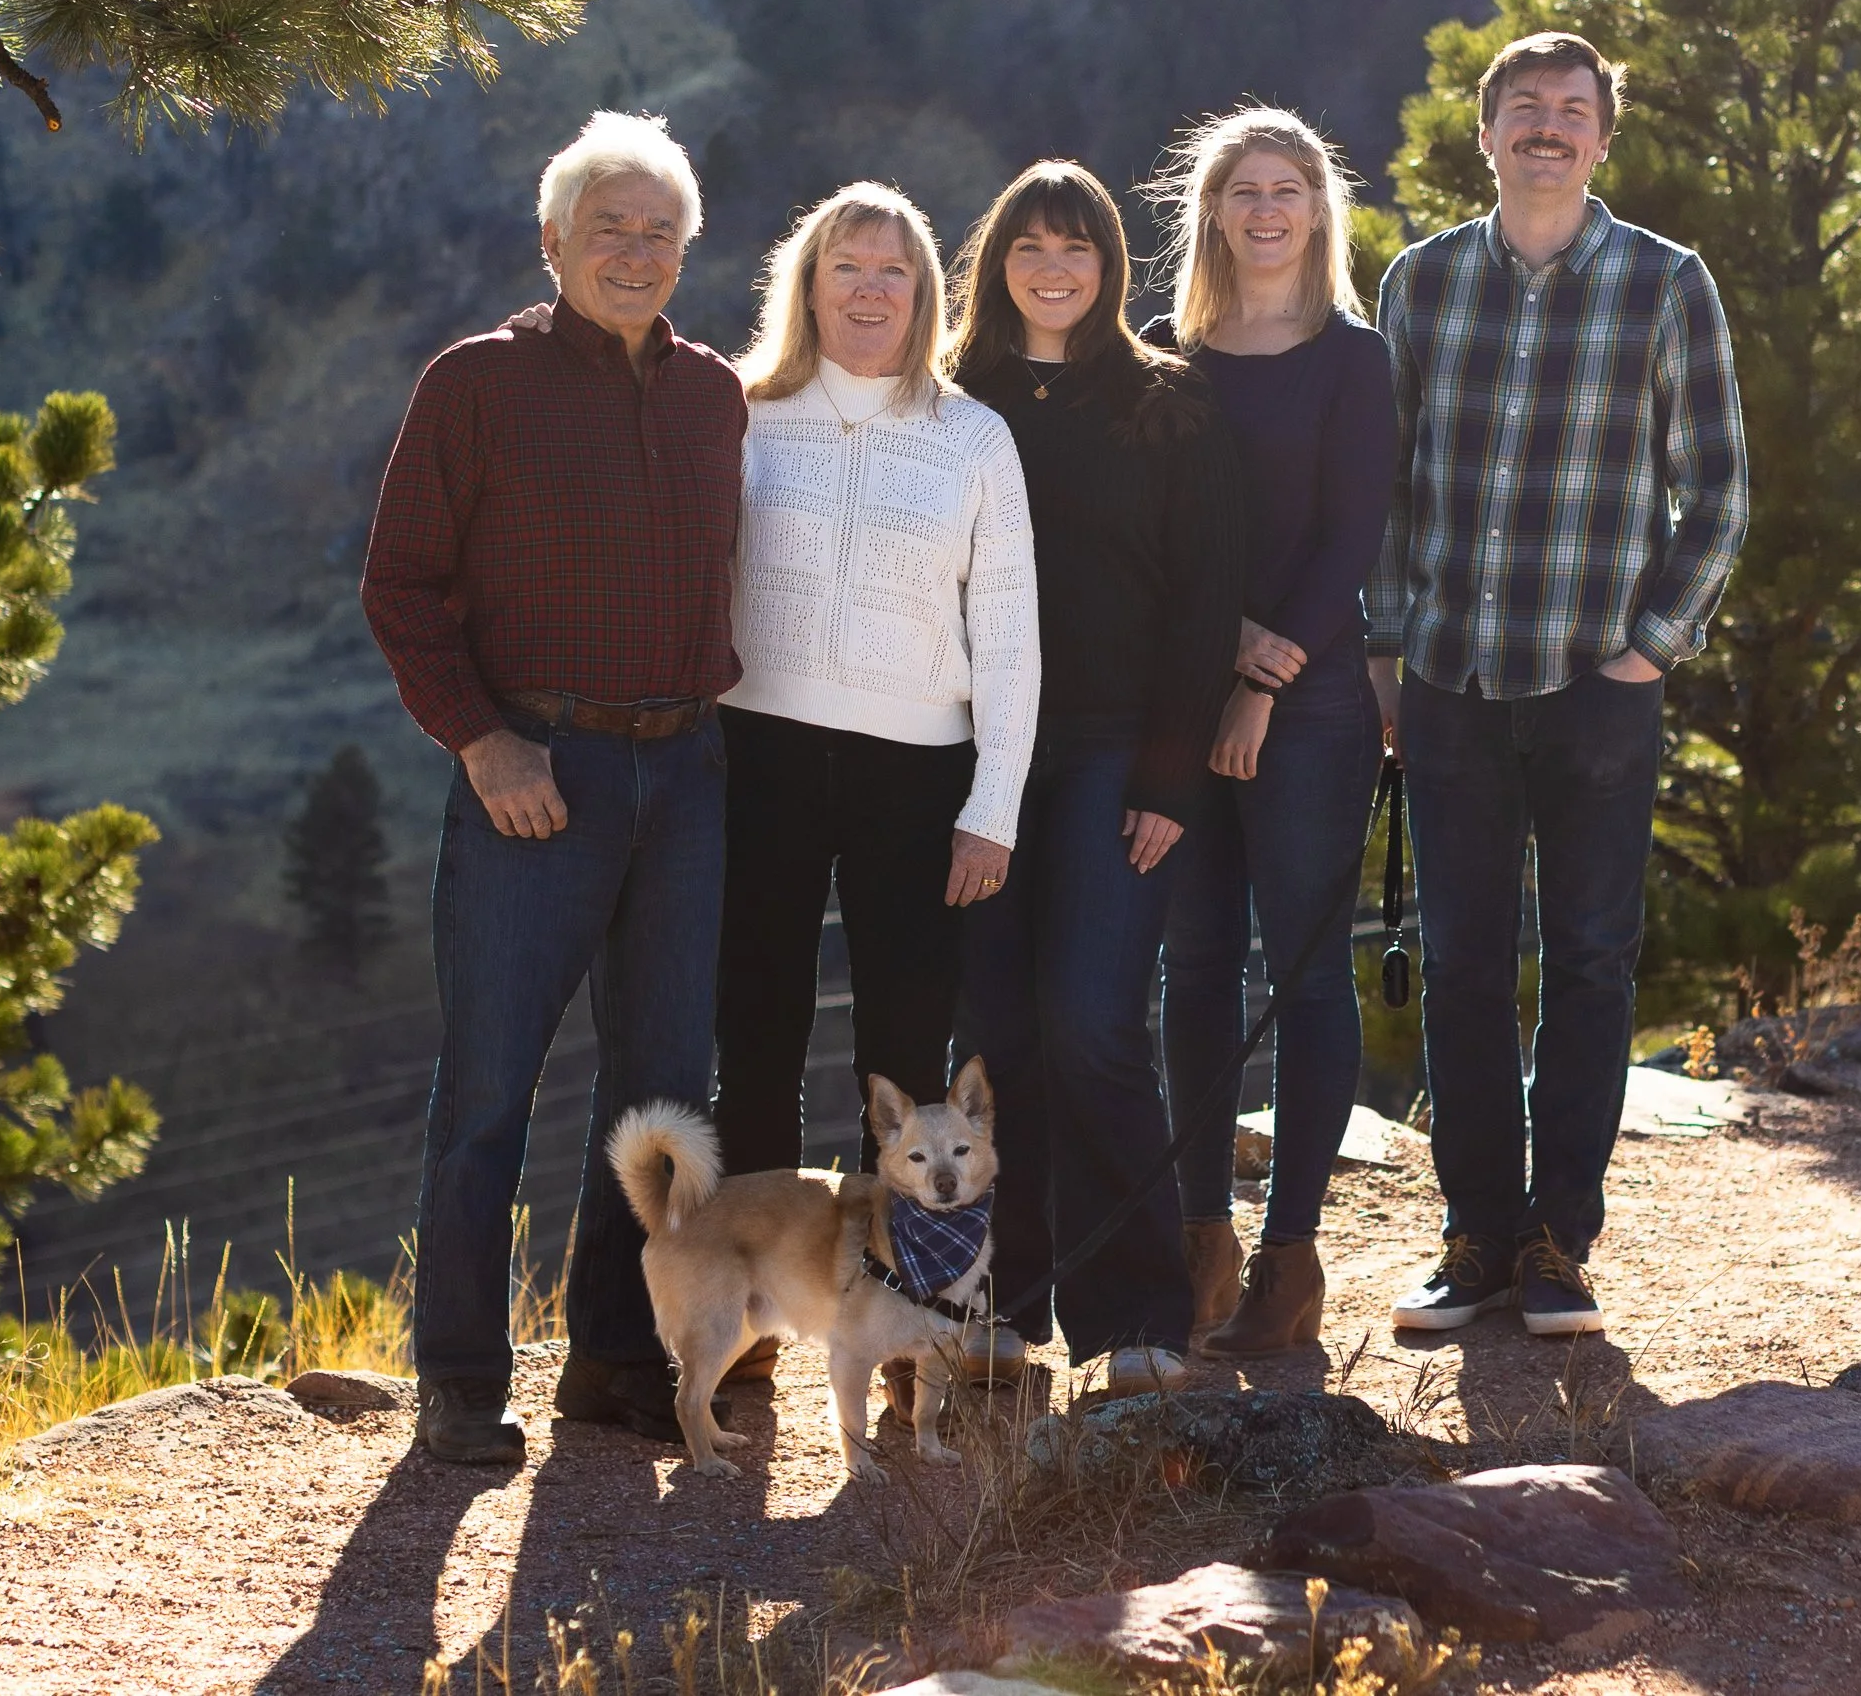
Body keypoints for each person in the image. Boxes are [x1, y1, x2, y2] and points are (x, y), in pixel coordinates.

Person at [361, 111, 746, 1468]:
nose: (634, 254)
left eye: (658, 234)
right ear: (552, 242)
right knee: (488, 1093)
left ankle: (614, 1362)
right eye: (608, 230)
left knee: (658, 1097)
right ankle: (461, 1384)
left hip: (689, 773)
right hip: (537, 771)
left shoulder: (714, 394)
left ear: (684, 253)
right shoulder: (476, 383)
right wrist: (481, 741)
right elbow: (399, 586)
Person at [1371, 34, 1747, 1343]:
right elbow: (1386, 487)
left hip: (1599, 684)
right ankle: (1474, 1235)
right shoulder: (1418, 286)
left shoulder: (1664, 284)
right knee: (1469, 965)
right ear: (1486, 134)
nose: (1546, 127)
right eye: (1523, 107)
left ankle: (1557, 1246)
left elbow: (1719, 485)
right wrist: (1386, 652)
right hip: (1453, 685)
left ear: (1601, 137)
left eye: (1571, 111)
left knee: (1590, 961)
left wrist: (1650, 644)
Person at [949, 160, 1247, 1395]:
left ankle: (1136, 1319)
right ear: (998, 262)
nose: (1055, 267)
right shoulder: (949, 396)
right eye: (1031, 245)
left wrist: (1172, 779)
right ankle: (998, 1311)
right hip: (972, 754)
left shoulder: (1170, 404)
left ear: (1111, 265)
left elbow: (1204, 600)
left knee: (1093, 1024)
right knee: (999, 1034)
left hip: (1119, 749)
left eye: (1078, 247)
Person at [715, 183, 1040, 1291]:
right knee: (753, 1038)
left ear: (925, 293)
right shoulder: (740, 412)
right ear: (806, 283)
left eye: (892, 271)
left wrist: (991, 813)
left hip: (920, 779)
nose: (869, 289)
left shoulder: (974, 438)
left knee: (900, 1058)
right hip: (756, 758)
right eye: (846, 266)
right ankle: (756, 1295)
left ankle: (901, 1304)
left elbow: (1008, 641)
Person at [1148, 108, 1398, 1355]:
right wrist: (1218, 657)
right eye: (1242, 189)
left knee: (1304, 977)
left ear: (1317, 209)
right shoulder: (1162, 353)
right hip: (1185, 697)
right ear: (1212, 211)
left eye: (1286, 188)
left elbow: (1353, 535)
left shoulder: (1354, 358)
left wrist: (1263, 673)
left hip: (1312, 710)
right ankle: (1202, 1244)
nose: (1264, 209)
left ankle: (1290, 1261)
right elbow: (1148, 540)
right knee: (1192, 972)